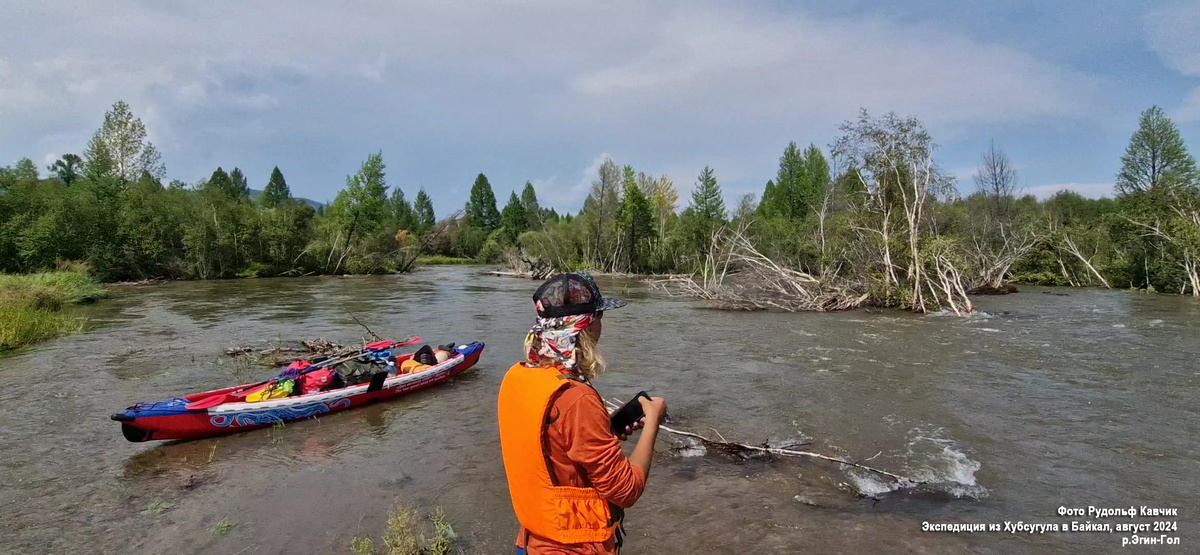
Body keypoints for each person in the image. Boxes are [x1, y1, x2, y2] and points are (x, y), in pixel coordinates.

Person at [497, 273, 668, 555]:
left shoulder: (517, 378)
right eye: (599, 316)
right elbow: (626, 490)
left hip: (530, 541)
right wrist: (653, 421)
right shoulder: (576, 399)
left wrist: (606, 431)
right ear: (586, 327)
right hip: (575, 547)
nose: (603, 324)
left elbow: (550, 448)